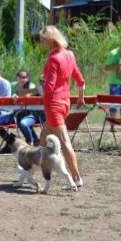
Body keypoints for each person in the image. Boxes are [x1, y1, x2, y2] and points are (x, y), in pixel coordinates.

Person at [38, 25, 85, 188]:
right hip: (65, 103)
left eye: (42, 40)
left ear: (50, 40)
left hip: (54, 105)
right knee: (43, 138)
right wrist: (80, 98)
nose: (41, 43)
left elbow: (49, 87)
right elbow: (80, 80)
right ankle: (38, 172)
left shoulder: (53, 59)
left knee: (64, 142)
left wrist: (41, 86)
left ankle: (76, 178)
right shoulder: (70, 54)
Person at [11, 70, 43, 146]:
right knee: (20, 119)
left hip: (33, 114)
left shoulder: (31, 85)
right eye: (20, 77)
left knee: (23, 123)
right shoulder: (12, 85)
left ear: (28, 78)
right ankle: (35, 140)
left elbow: (29, 94)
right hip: (18, 113)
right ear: (17, 78)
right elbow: (9, 94)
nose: (22, 79)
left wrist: (19, 97)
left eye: (24, 77)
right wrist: (14, 95)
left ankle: (30, 141)